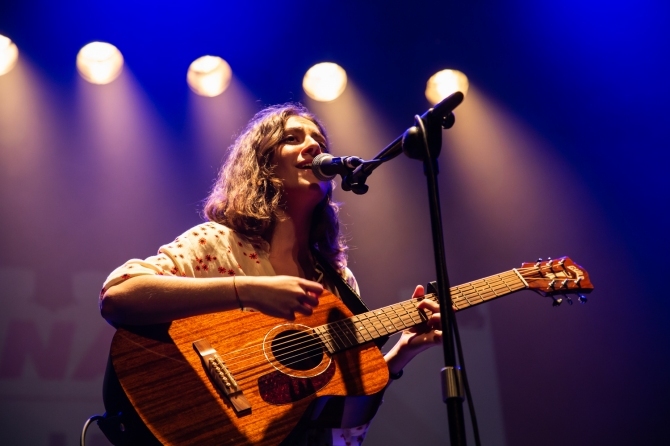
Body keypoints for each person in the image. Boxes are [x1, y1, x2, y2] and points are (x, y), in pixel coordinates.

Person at [100, 103, 442, 445]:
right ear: (263, 164)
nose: (313, 146)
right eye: (292, 138)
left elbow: (340, 423)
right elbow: (119, 297)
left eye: (320, 142)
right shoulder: (217, 243)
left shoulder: (338, 283)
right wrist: (248, 290)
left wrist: (400, 354)